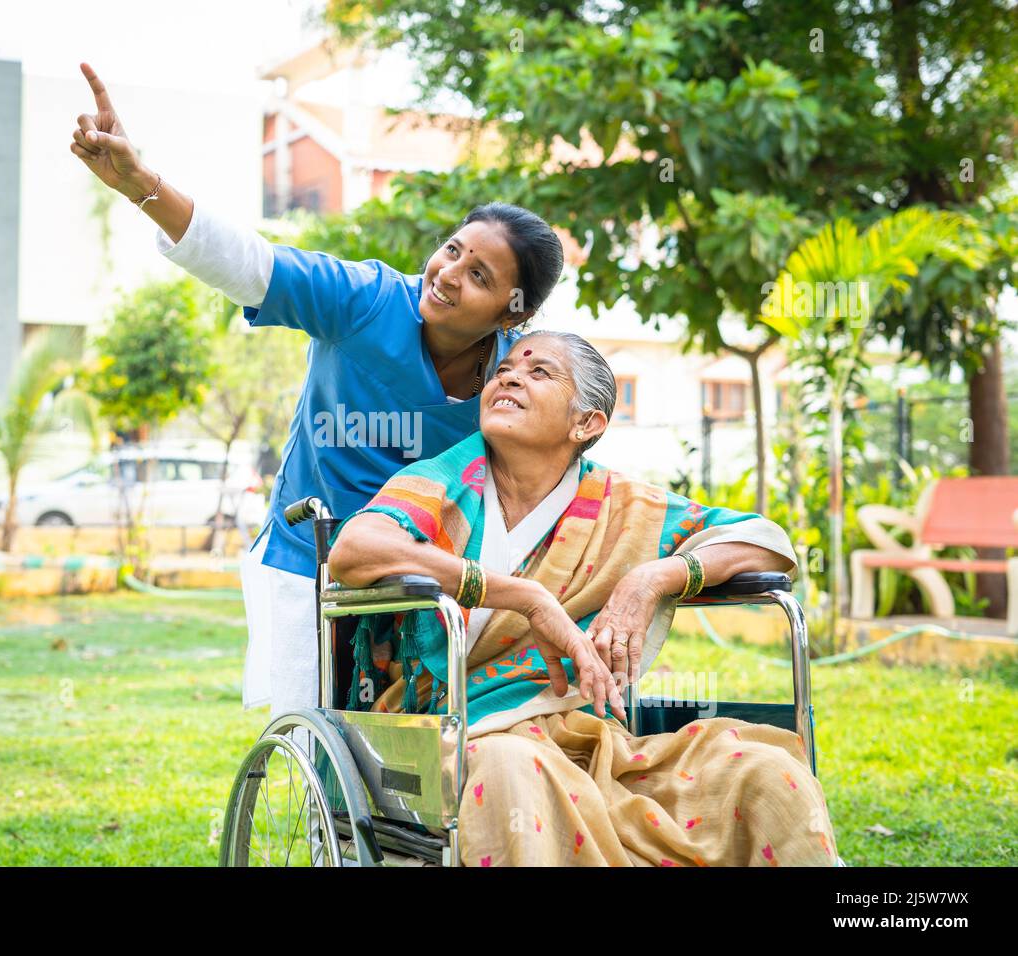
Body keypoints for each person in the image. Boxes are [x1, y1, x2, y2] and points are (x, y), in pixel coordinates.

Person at [70, 63, 566, 716]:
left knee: (420, 750)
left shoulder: (514, 373)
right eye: (451, 250)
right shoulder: (363, 300)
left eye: (477, 275)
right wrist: (141, 185)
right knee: (313, 731)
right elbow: (252, 263)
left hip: (425, 576)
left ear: (512, 311)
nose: (446, 274)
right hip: (312, 559)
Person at [327, 330, 840, 866]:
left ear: (586, 423)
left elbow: (768, 544)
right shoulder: (441, 481)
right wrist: (525, 597)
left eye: (539, 371)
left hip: (590, 739)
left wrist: (653, 579)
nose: (510, 376)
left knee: (762, 772)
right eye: (505, 370)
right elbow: (356, 549)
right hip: (457, 729)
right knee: (512, 768)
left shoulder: (624, 507)